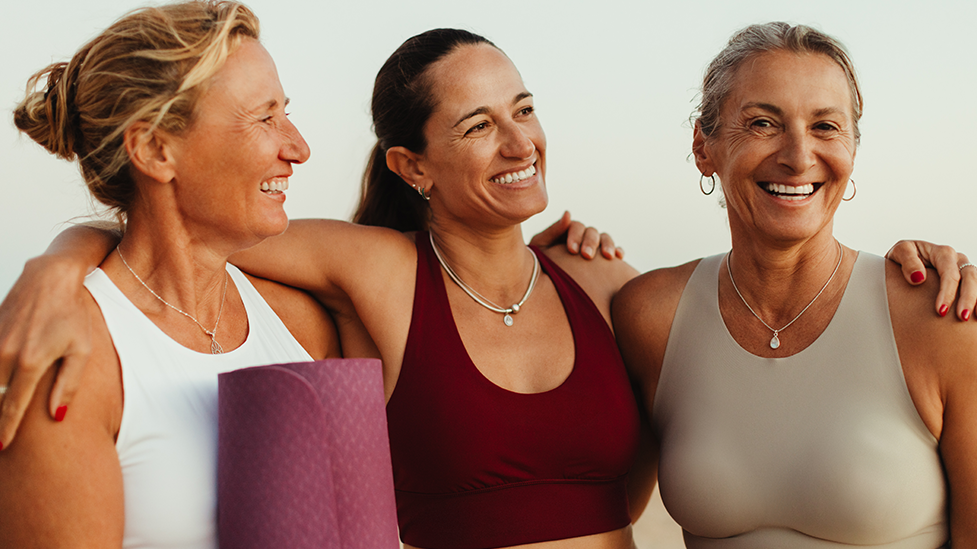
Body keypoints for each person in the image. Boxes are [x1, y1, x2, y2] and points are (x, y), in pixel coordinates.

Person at [0, 22, 971, 549]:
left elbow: (722, 413)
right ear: (410, 167)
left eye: (523, 110)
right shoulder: (376, 272)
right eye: (475, 127)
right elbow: (193, 223)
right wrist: (60, 260)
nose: (518, 143)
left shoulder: (605, 287)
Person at [614, 22, 977, 547]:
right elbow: (592, 515)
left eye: (826, 127)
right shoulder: (649, 316)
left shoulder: (940, 319)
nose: (799, 155)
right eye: (763, 123)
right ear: (703, 146)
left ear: (853, 151)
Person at [0, 2, 346, 547]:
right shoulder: (74, 362)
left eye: (287, 111)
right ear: (156, 149)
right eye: (264, 117)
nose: (298, 147)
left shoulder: (305, 326)